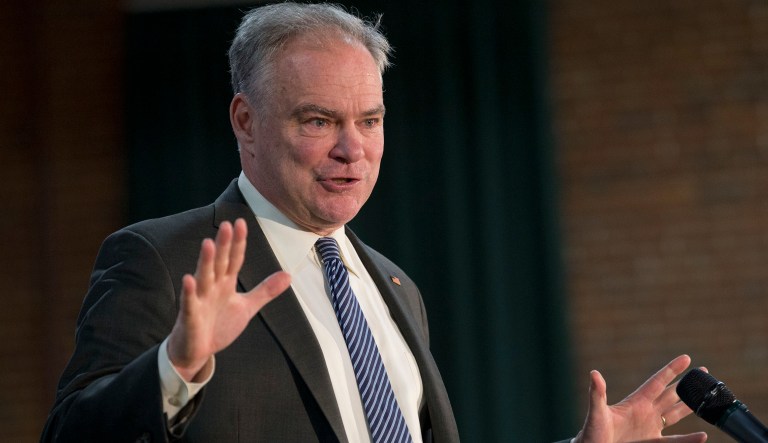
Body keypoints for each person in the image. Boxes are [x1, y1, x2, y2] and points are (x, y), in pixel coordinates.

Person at [41, 3, 707, 442]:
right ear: (246, 121)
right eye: (318, 120)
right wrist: (175, 366)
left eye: (370, 120)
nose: (352, 150)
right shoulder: (163, 257)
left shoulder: (394, 286)